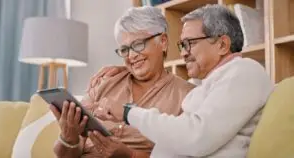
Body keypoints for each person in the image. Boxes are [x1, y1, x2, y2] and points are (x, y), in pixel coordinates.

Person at [93, 4, 274, 158]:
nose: (183, 53)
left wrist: (128, 113)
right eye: (182, 45)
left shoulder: (244, 71)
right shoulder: (207, 86)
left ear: (222, 45)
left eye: (190, 43)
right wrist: (127, 69)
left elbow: (196, 136)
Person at [50, 6, 194, 158]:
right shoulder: (104, 82)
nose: (131, 56)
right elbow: (67, 155)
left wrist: (130, 155)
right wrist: (68, 138)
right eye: (124, 49)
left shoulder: (186, 97)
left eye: (138, 44)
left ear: (163, 42)